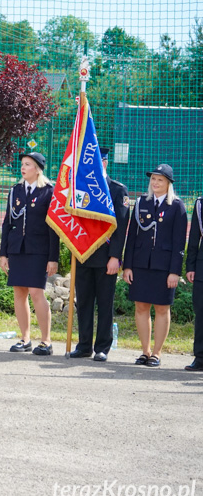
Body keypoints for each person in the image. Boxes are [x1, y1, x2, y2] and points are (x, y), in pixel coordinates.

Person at [69, 148, 130, 362]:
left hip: (106, 257)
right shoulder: (80, 188)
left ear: (104, 163)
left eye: (98, 162)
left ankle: (102, 347)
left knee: (104, 304)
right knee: (84, 302)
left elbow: (121, 227)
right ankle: (84, 345)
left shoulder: (116, 190)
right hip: (83, 254)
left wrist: (115, 257)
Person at [122, 164, 187, 368]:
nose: (156, 183)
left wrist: (175, 271)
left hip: (164, 267)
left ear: (169, 183)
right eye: (153, 179)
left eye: (160, 180)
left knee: (161, 307)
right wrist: (128, 266)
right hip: (141, 264)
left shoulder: (177, 206)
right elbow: (131, 237)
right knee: (141, 307)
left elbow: (179, 243)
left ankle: (157, 353)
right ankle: (145, 351)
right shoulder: (141, 202)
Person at [0, 152, 60, 355]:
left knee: (36, 292)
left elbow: (54, 228)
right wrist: (3, 254)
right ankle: (25, 338)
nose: (23, 168)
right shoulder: (15, 190)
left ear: (38, 169)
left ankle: (46, 341)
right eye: (23, 164)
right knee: (19, 292)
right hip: (17, 249)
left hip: (39, 251)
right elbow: (8, 223)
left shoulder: (48, 192)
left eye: (28, 164)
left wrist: (53, 258)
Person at [184, 190, 203, 372]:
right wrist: (190, 266)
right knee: (201, 313)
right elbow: (194, 237)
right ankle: (200, 357)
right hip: (201, 267)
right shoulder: (200, 203)